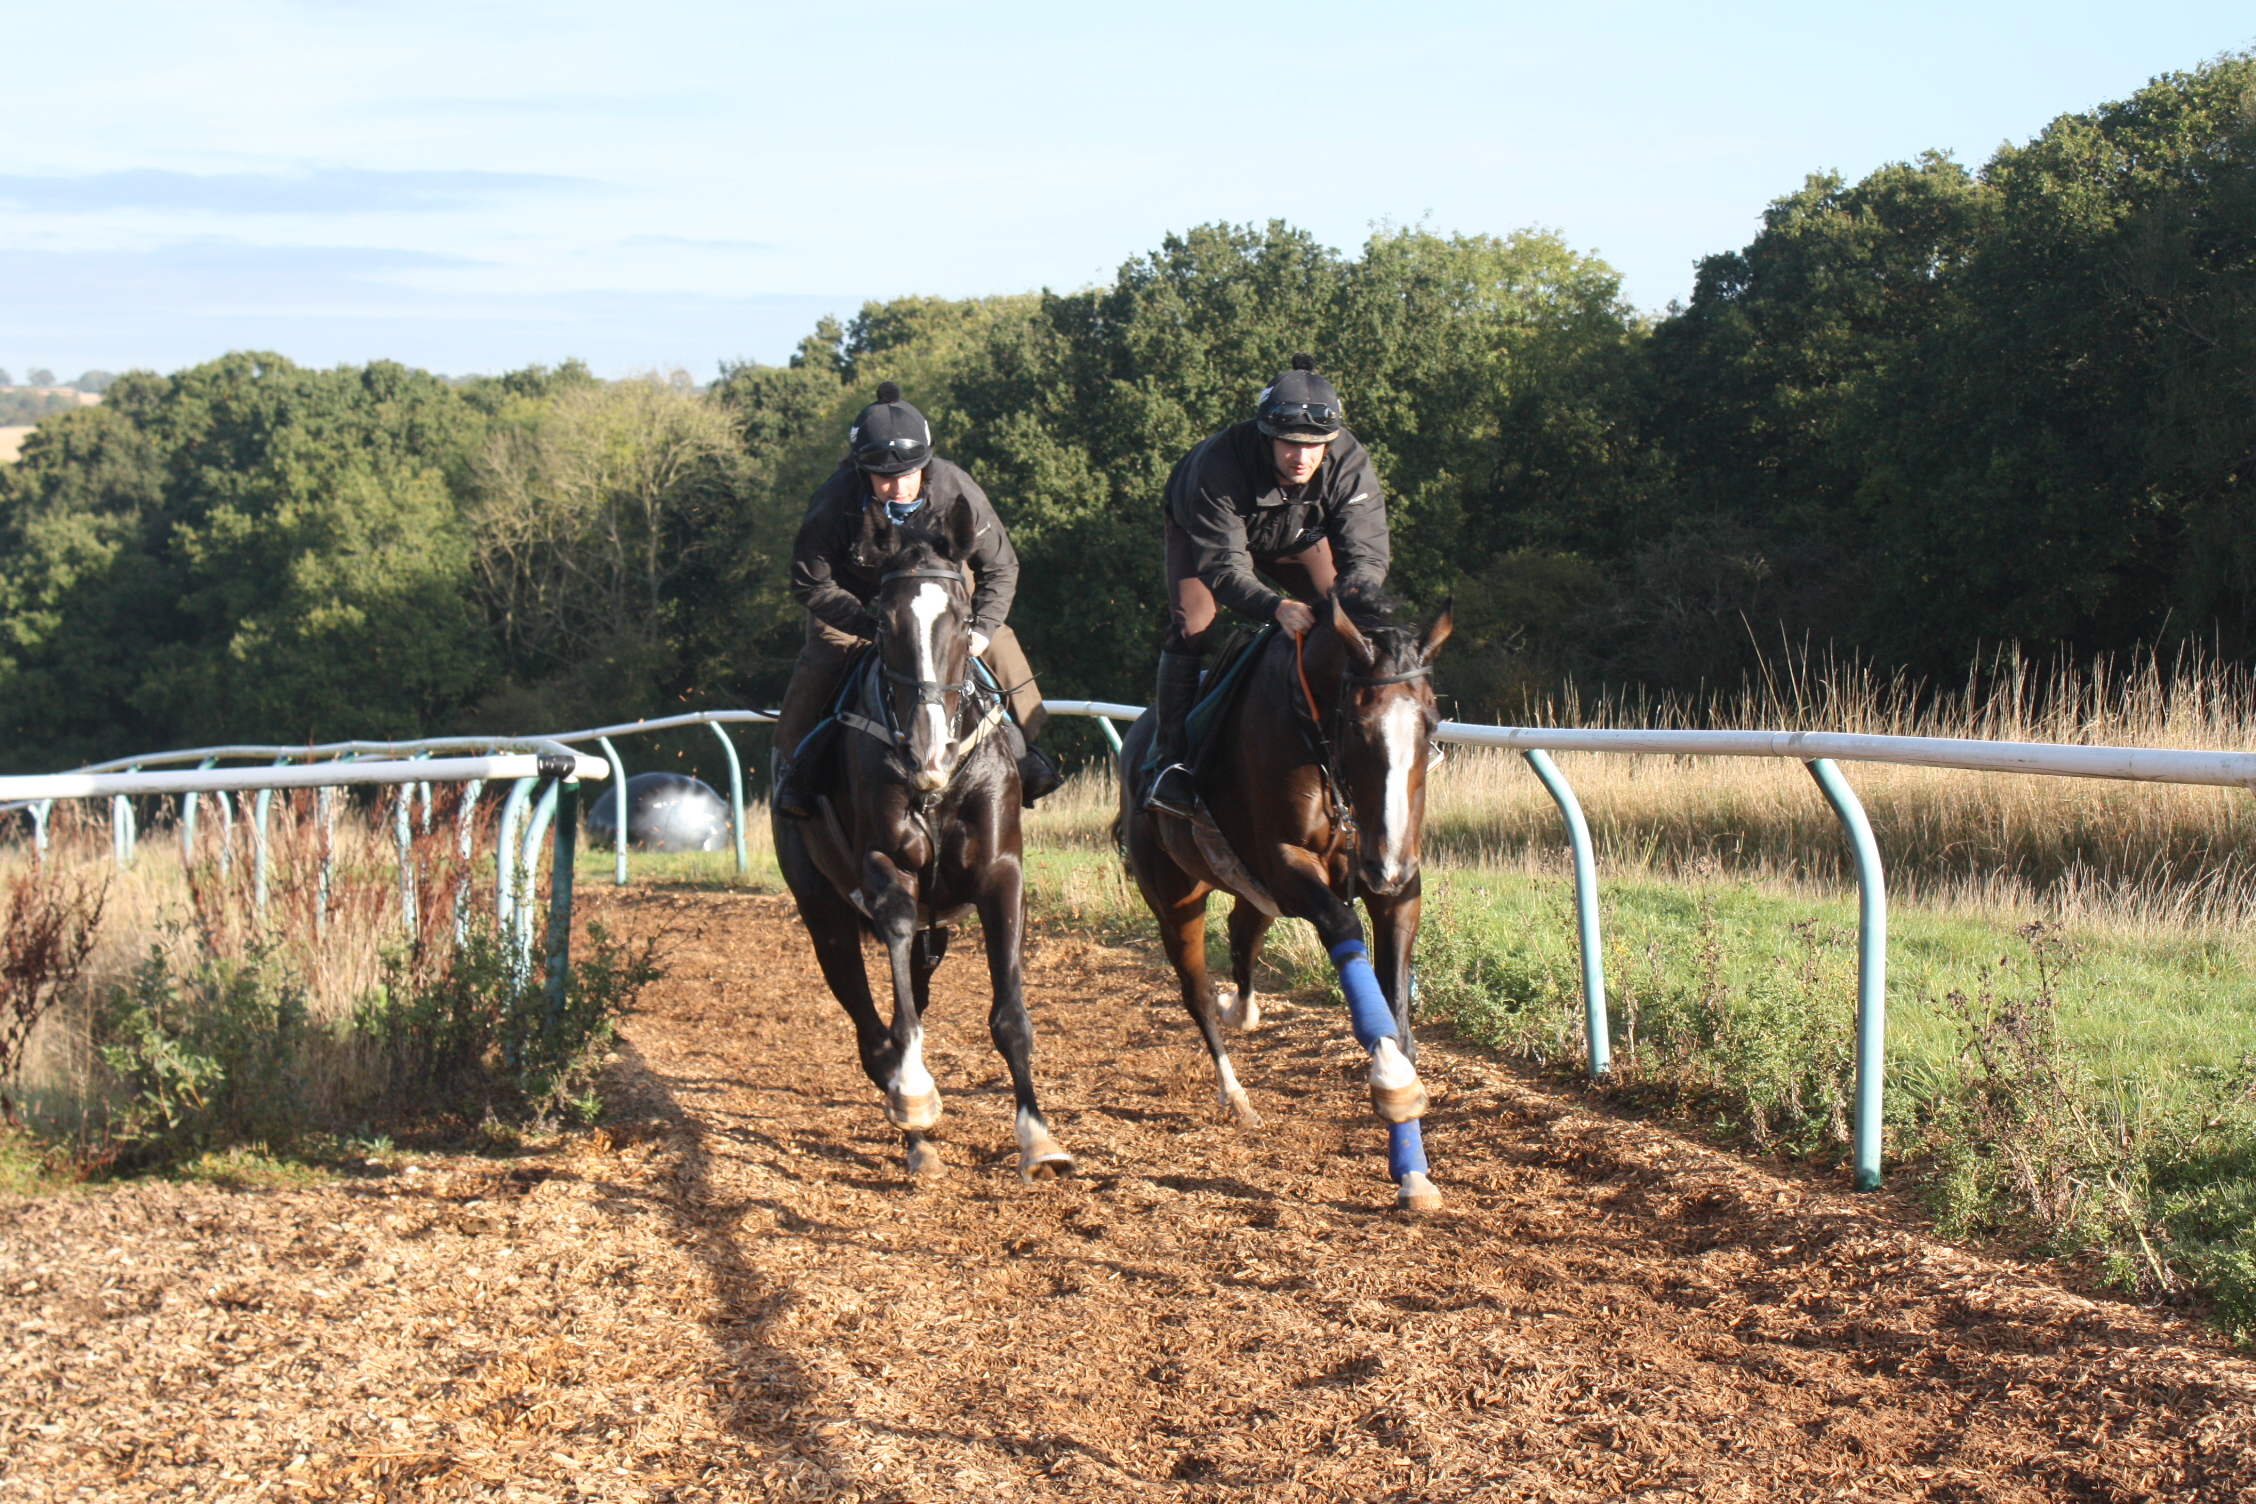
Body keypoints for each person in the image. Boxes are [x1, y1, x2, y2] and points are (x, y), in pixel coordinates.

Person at [771, 381, 1060, 817]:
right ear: (860, 470)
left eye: (908, 473)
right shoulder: (834, 501)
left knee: (1000, 643)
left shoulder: (954, 487)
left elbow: (1001, 567)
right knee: (827, 653)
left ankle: (1029, 752)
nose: (898, 486)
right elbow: (810, 582)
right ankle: (796, 767)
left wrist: (980, 629)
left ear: (926, 463)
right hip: (857, 603)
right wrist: (870, 627)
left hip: (940, 593)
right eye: (884, 478)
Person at [1145, 354, 1390, 815]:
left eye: (1315, 446)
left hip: (1296, 534)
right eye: (1289, 445)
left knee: (1349, 613)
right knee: (1193, 624)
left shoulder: (1350, 460)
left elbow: (1367, 557)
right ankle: (1170, 762)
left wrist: (1349, 605)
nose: (1302, 457)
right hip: (1205, 535)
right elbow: (1224, 568)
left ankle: (1359, 740)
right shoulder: (1220, 464)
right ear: (1267, 437)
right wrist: (1276, 606)